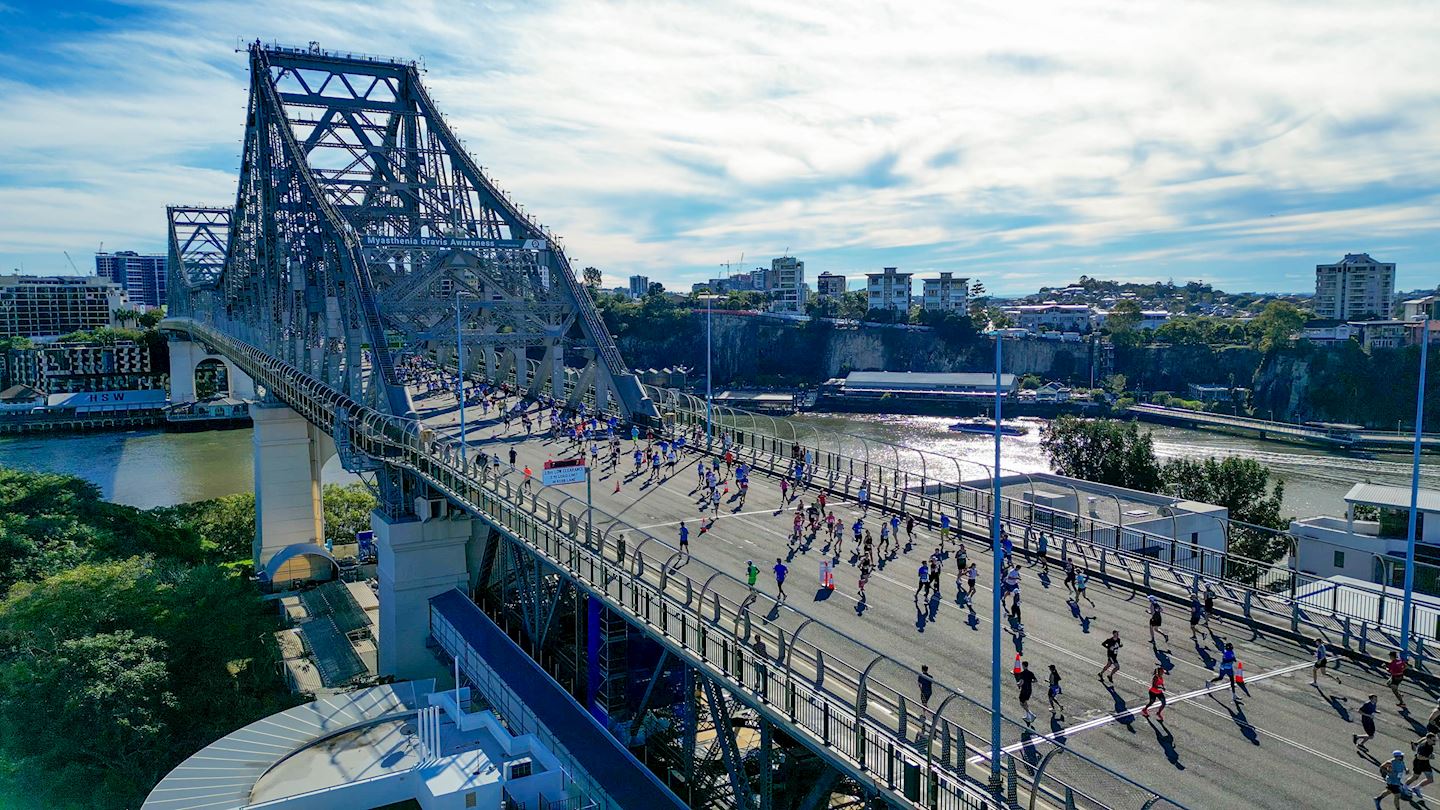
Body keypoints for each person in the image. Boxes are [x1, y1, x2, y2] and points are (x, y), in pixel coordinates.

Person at [1410, 732, 1436, 799]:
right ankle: (1404, 787)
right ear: (1429, 739)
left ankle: (1416, 788)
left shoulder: (1429, 745)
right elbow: (1419, 757)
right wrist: (1429, 757)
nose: (1435, 741)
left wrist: (1416, 743)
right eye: (1433, 740)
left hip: (1425, 763)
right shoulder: (1423, 747)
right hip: (1419, 763)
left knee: (1430, 779)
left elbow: (1425, 737)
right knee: (1415, 777)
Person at [1016, 660, 1038, 724]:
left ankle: (1031, 715)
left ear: (1023, 665)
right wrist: (1029, 682)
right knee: (1025, 702)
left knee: (1021, 703)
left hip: (1024, 690)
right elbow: (1035, 680)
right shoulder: (1031, 673)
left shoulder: (1022, 673)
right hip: (1029, 690)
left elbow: (1021, 682)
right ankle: (1027, 717)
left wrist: (1018, 684)